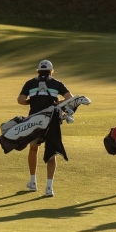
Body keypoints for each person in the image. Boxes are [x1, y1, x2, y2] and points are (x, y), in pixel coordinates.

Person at [17, 59, 72, 197]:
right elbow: (70, 98)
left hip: (34, 121)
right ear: (51, 71)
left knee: (33, 149)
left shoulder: (30, 83)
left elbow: (21, 100)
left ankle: (33, 182)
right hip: (51, 121)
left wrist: (32, 100)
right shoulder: (57, 83)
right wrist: (57, 102)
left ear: (38, 71)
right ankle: (49, 188)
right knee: (51, 152)